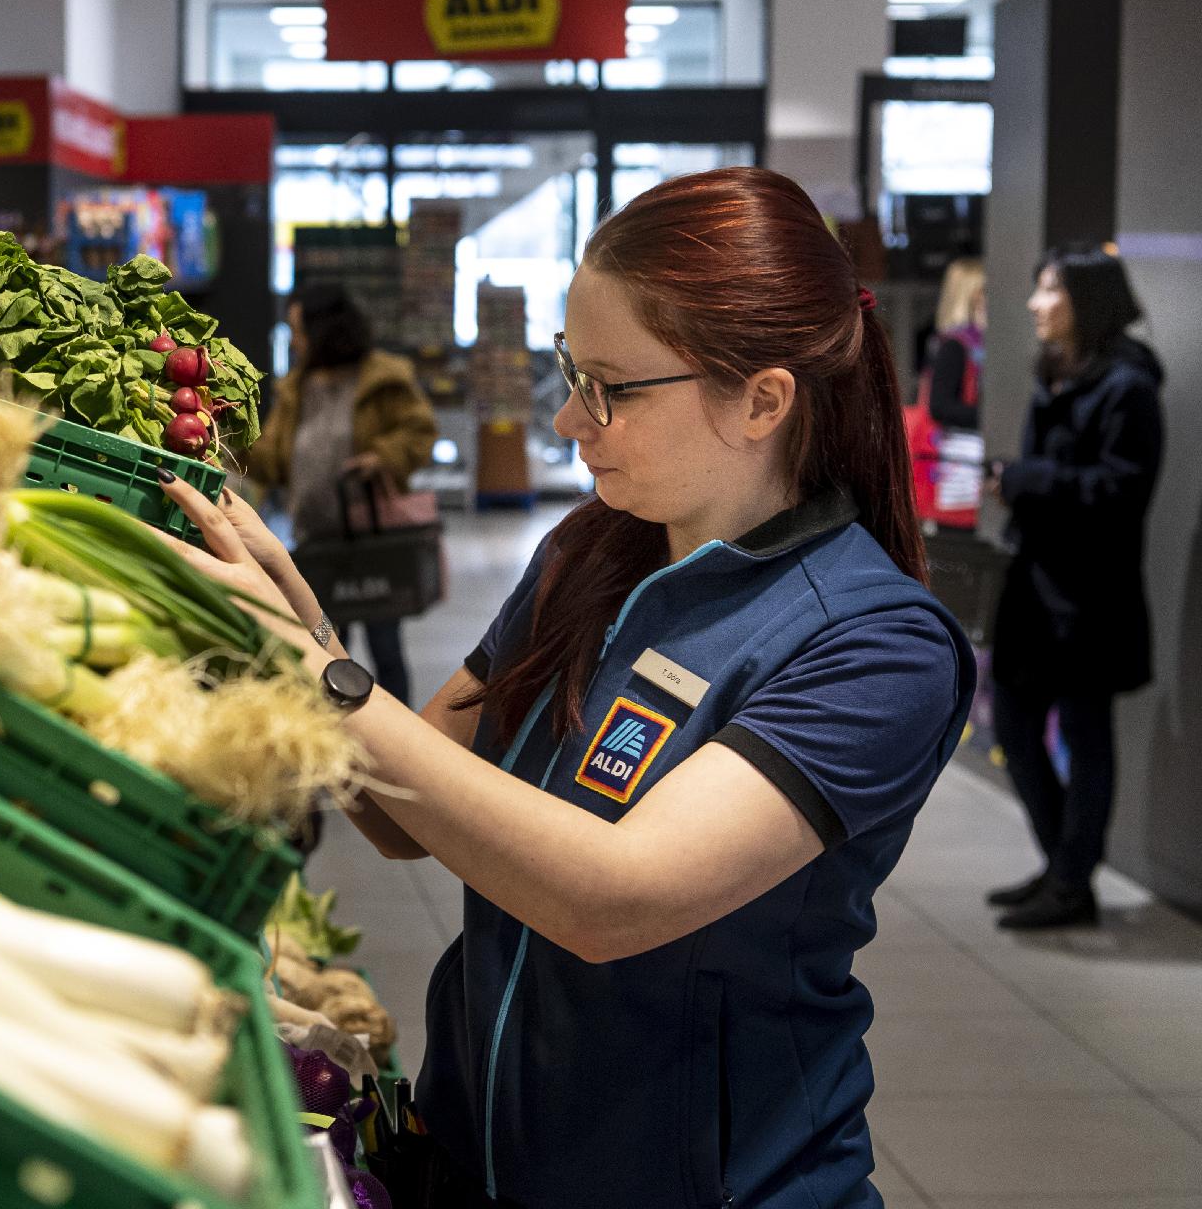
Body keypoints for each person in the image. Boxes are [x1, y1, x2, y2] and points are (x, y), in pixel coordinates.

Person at [157, 167, 974, 1209]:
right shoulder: (587, 556)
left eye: (608, 387)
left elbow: (611, 898)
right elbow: (409, 815)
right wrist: (289, 623)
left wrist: (324, 673)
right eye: (566, 371)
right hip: (481, 1158)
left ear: (761, 399)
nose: (564, 421)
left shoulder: (872, 645)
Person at [984, 245, 1163, 930]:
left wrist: (1027, 481)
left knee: (1086, 737)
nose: (1034, 304)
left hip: (1092, 598)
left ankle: (1070, 879)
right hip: (1037, 587)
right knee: (1015, 726)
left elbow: (1123, 492)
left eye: (1048, 290)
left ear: (1086, 300)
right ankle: (1065, 869)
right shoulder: (1055, 374)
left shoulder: (1127, 386)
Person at [245, 282, 436, 706]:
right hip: (316, 540)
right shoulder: (297, 387)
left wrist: (381, 457)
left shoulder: (382, 376)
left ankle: (402, 737)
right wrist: (231, 441)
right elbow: (274, 459)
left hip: (374, 539)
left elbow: (420, 432)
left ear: (324, 329)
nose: (294, 340)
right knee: (326, 647)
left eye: (299, 329)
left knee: (386, 646)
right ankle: (343, 737)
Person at [904, 257, 988, 527]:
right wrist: (991, 418)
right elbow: (940, 406)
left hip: (960, 467)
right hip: (956, 464)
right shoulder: (957, 345)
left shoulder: (958, 343)